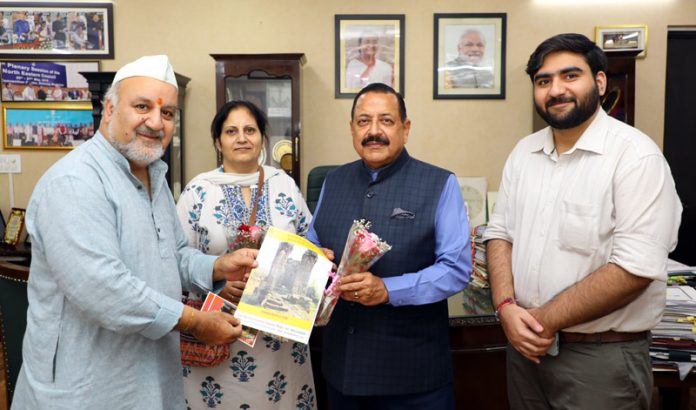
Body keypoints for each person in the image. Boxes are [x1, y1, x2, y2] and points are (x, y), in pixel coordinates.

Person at [12, 55, 259, 409]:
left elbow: (171, 256)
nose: (156, 122)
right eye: (142, 106)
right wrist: (196, 322)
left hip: (149, 379)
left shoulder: (153, 177)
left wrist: (218, 267)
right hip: (86, 387)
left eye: (168, 113)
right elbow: (104, 289)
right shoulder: (75, 182)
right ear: (109, 109)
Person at [484, 33, 682, 410]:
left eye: (570, 76)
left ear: (601, 82)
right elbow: (500, 234)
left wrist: (540, 321)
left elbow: (635, 269)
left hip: (600, 360)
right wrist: (506, 307)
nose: (556, 89)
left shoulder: (635, 157)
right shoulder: (524, 153)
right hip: (525, 353)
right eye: (544, 81)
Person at [306, 82, 471, 409]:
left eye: (386, 121)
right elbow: (313, 245)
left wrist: (387, 290)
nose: (374, 131)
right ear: (352, 129)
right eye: (364, 121)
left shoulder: (440, 183)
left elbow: (456, 270)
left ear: (405, 129)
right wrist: (312, 260)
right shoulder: (332, 181)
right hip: (341, 372)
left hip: (412, 376)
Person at [176, 100, 316, 409]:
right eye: (231, 131)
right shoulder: (197, 191)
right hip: (216, 331)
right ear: (218, 141)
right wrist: (215, 282)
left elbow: (308, 242)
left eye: (250, 130)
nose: (242, 138)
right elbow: (176, 256)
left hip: (278, 338)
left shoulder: (284, 185)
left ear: (262, 139)